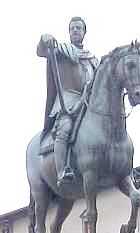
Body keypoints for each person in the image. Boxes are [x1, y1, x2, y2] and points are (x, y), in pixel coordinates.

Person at [37, 17, 98, 185]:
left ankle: (126, 168)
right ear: (69, 32)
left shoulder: (93, 58)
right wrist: (44, 38)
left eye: (79, 28)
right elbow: (42, 51)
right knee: (65, 127)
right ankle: (61, 170)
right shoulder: (61, 50)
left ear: (85, 32)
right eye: (72, 28)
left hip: (90, 102)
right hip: (68, 100)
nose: (76, 30)